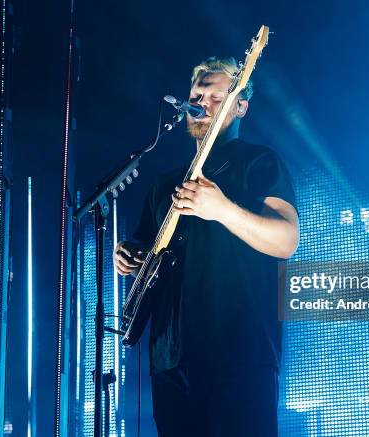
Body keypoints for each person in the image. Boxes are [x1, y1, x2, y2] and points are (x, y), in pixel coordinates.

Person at [114, 57, 299, 437]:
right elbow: (149, 252)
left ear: (241, 106)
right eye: (197, 94)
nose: (201, 101)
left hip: (239, 352)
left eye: (216, 96)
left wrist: (223, 209)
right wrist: (132, 257)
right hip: (170, 359)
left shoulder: (259, 162)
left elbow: (286, 241)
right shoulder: (164, 184)